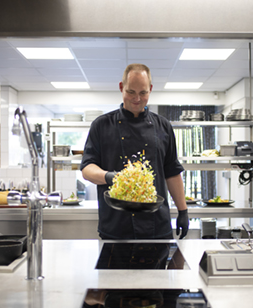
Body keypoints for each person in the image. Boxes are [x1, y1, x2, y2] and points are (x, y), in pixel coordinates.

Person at [80, 63, 189, 240]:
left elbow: (172, 172)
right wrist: (111, 177)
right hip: (116, 228)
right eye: (131, 92)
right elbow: (87, 168)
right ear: (121, 87)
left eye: (143, 93)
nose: (137, 98)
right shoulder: (101, 125)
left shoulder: (163, 126)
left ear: (150, 90)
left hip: (157, 226)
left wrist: (183, 210)